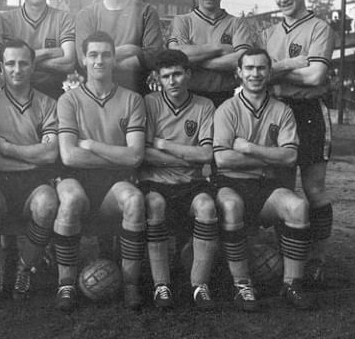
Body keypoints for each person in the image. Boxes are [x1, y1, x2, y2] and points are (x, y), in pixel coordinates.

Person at [213, 48, 314, 311]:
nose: (255, 74)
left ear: (269, 73)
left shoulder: (282, 110)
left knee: (298, 207)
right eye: (249, 68)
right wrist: (271, 156)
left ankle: (292, 284)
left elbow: (291, 157)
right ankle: (242, 286)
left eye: (260, 68)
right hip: (231, 183)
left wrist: (249, 149)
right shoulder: (227, 109)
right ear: (239, 73)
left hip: (267, 186)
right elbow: (223, 160)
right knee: (231, 206)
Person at [53, 31, 146, 312]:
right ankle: (66, 284)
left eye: (106, 54)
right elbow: (69, 155)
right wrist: (118, 156)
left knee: (134, 200)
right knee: (70, 200)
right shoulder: (68, 100)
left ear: (115, 58)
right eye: (92, 54)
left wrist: (92, 145)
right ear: (82, 59)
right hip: (76, 178)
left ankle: (130, 284)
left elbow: (136, 155)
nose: (99, 60)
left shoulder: (132, 100)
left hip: (114, 182)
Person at [262, 0, 335, 287]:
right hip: (276, 112)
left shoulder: (320, 28)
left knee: (314, 189)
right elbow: (259, 75)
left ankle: (316, 259)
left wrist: (274, 72)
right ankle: (289, 255)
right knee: (281, 190)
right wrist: (292, 64)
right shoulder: (268, 34)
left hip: (308, 112)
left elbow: (316, 77)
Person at [0, 39, 59, 300]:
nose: (17, 69)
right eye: (10, 63)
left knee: (46, 204)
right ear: (1, 67)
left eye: (23, 63)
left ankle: (26, 267)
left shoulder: (48, 104)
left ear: (33, 67)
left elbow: (52, 153)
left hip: (34, 182)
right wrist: (33, 157)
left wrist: (7, 149)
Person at [139, 49, 217, 310]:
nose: (172, 81)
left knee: (207, 206)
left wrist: (164, 144)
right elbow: (144, 154)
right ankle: (162, 285)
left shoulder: (205, 106)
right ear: (157, 79)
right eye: (166, 76)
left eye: (177, 74)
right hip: (155, 181)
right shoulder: (149, 102)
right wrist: (186, 155)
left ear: (189, 75)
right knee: (154, 205)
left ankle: (200, 285)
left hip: (191, 183)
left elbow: (206, 154)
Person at [167, 0, 253, 108]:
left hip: (224, 99)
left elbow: (243, 61)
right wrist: (220, 49)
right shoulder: (182, 21)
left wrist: (194, 60)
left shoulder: (237, 23)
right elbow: (176, 58)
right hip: (188, 100)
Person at [75, 0, 163, 96]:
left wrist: (100, 62)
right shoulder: (86, 15)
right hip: (96, 94)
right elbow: (82, 59)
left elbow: (153, 57)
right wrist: (131, 49)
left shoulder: (146, 12)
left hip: (136, 91)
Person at [1, 0, 76, 99]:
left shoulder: (64, 18)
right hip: (13, 94)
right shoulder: (7, 20)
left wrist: (23, 60)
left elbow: (69, 63)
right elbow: (6, 64)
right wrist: (52, 52)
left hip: (52, 92)